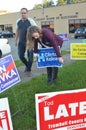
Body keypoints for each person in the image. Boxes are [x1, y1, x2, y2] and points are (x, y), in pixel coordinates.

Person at [14, 8, 37, 74]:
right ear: (20, 14)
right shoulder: (18, 21)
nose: (23, 14)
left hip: (29, 42)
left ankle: (28, 70)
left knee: (30, 58)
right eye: (22, 13)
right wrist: (16, 40)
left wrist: (34, 37)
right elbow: (17, 31)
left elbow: (36, 29)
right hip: (21, 42)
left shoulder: (31, 21)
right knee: (20, 56)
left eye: (24, 13)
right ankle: (27, 66)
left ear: (27, 13)